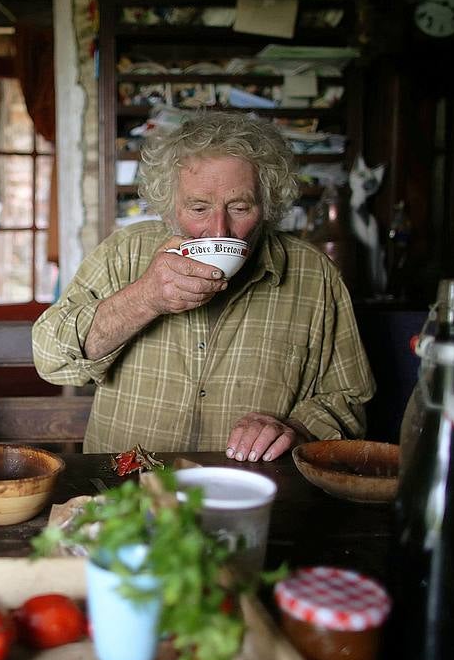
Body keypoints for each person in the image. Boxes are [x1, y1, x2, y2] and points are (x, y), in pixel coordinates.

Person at [32, 110, 374, 460]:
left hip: (247, 490)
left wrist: (296, 428)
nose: (218, 230)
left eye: (240, 207)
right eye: (198, 208)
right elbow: (51, 360)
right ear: (171, 207)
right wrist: (144, 298)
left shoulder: (313, 274)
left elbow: (348, 398)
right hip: (127, 489)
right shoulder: (125, 252)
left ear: (267, 205)